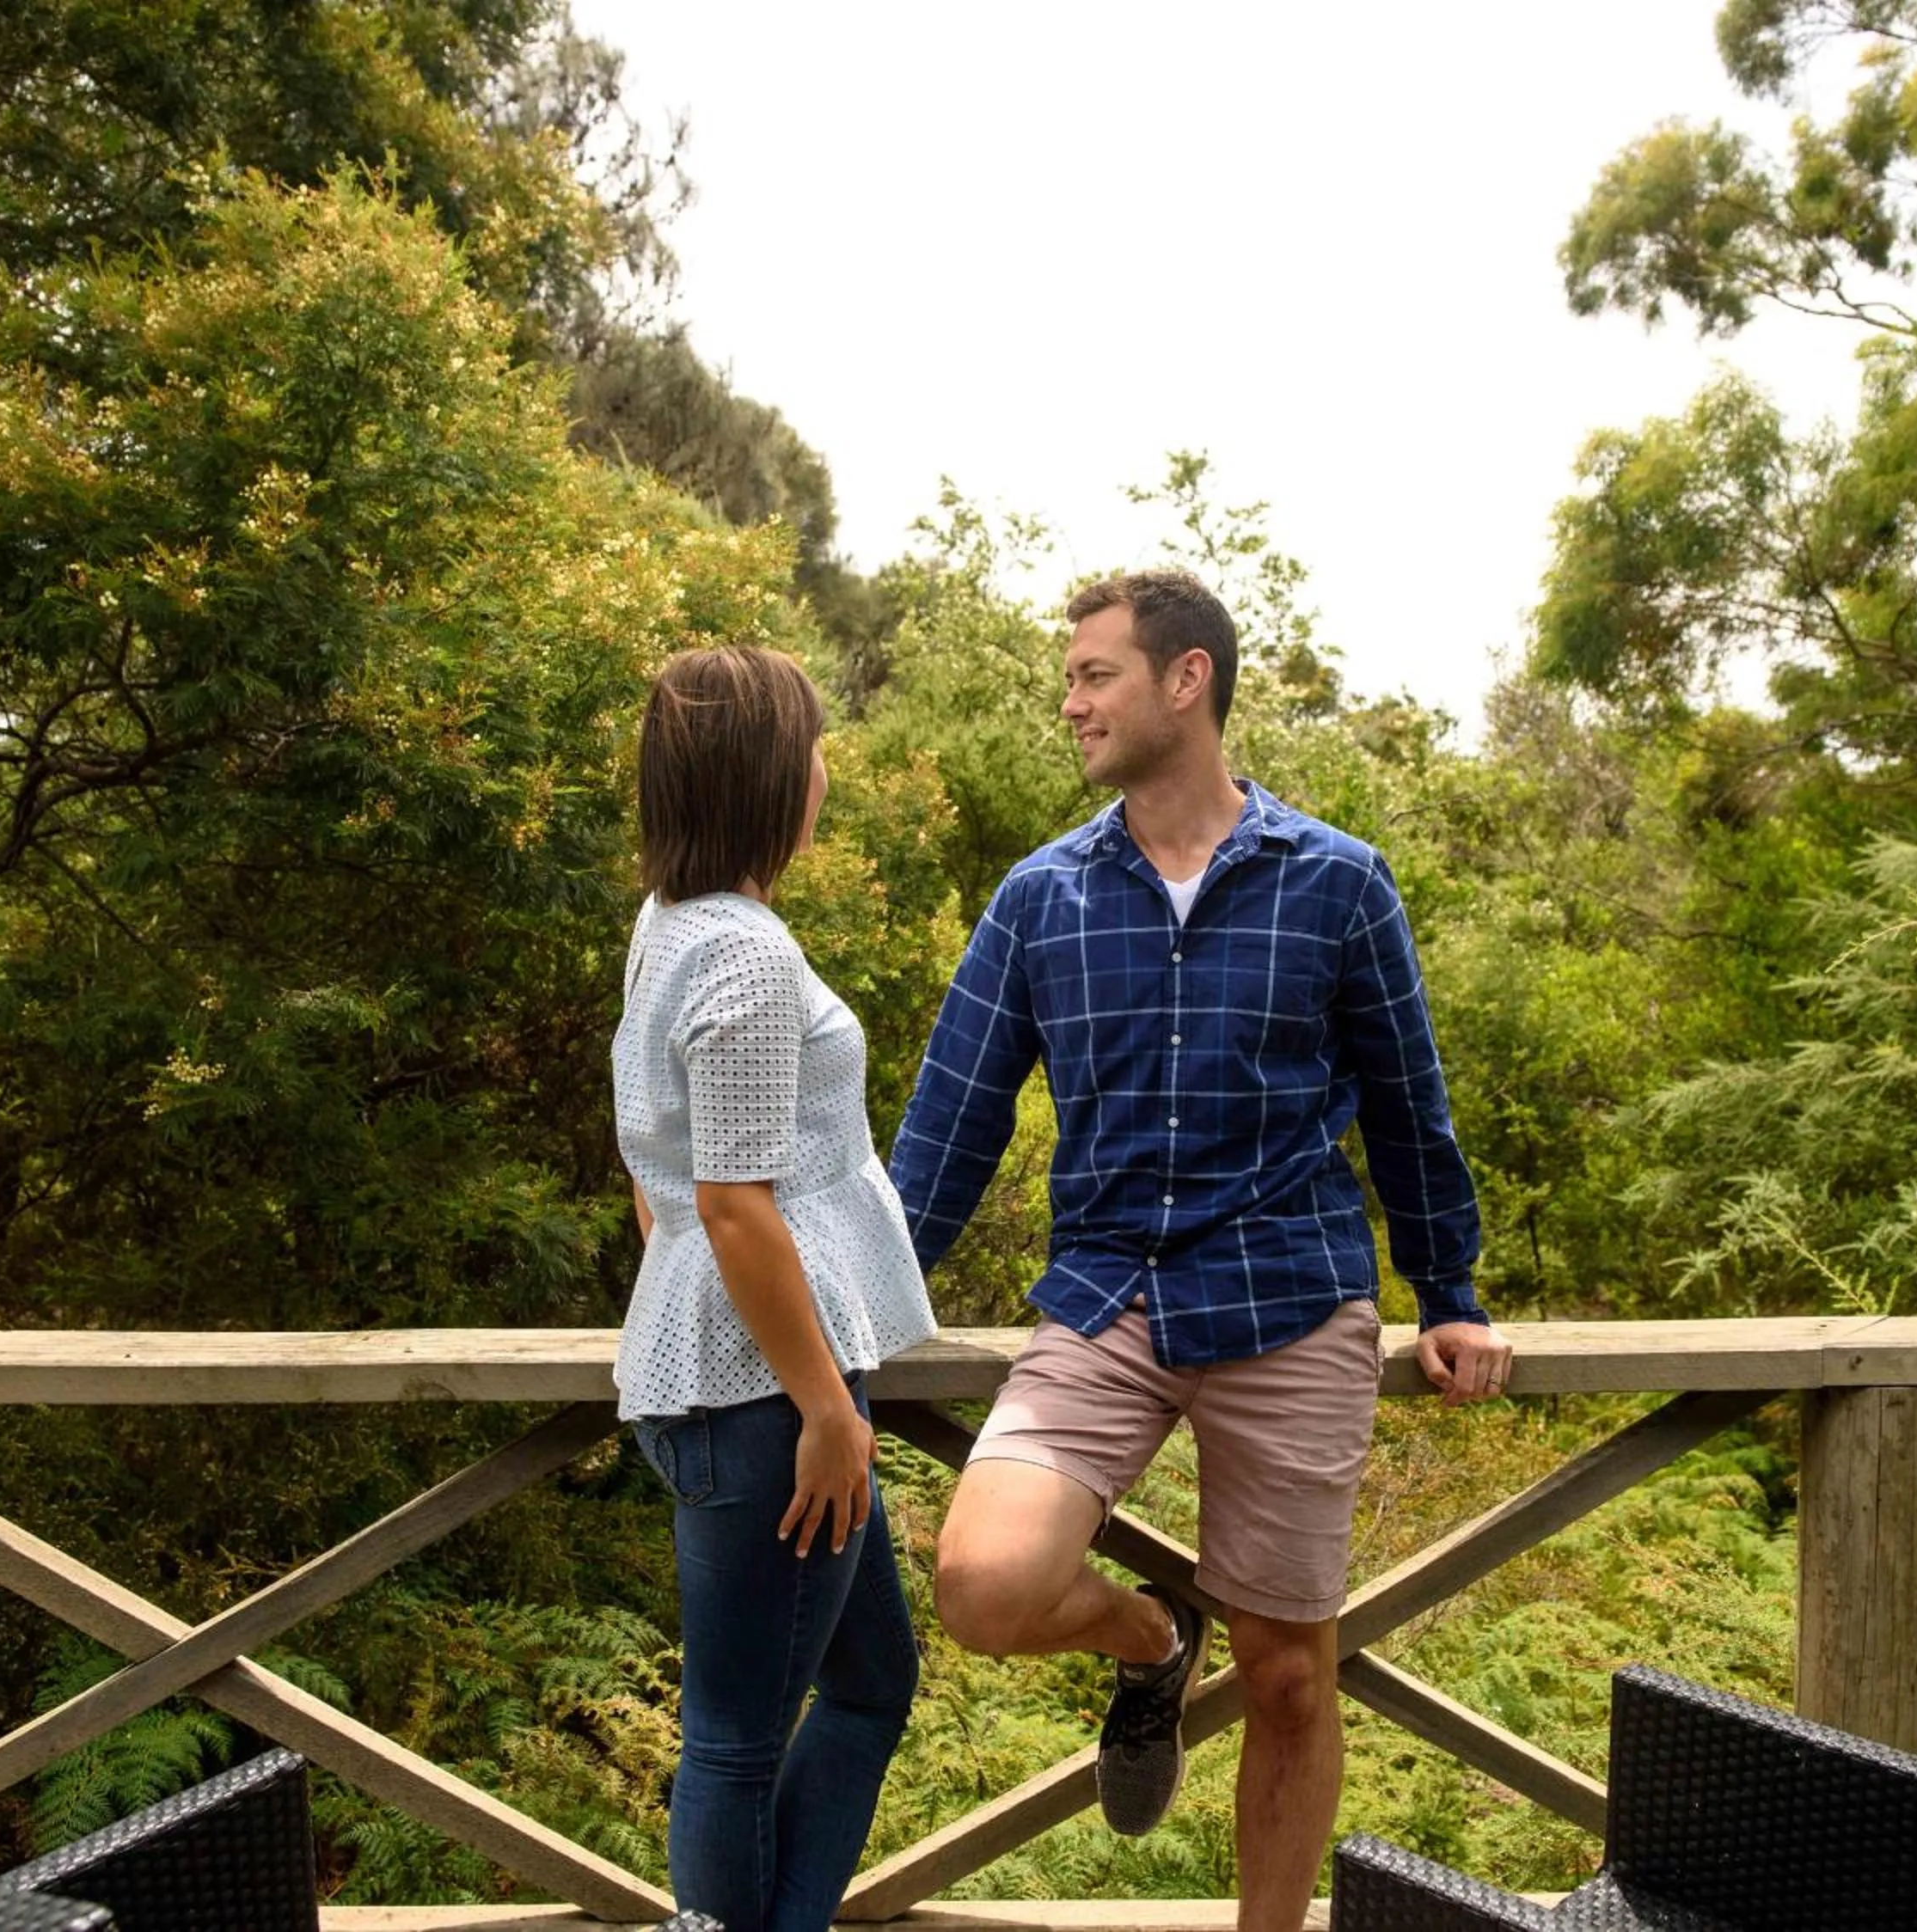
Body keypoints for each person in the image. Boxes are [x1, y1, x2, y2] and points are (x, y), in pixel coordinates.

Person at [886, 570, 1512, 1932]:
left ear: (1188, 681)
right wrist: (852, 1302)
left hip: (1291, 1297)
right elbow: (949, 1129)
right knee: (985, 1585)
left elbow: (1411, 1110)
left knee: (1292, 1676)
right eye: (1071, 678)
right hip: (1107, 1299)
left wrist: (1448, 1293)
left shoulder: (1338, 883)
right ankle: (1154, 1637)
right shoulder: (1039, 898)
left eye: (1095, 675)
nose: (1071, 703)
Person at [614, 645, 938, 1932]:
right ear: (765, 780)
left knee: (870, 1682)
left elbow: (658, 1159)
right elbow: (733, 1202)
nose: (821, 772)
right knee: (738, 1740)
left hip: (723, 1374)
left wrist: (678, 1289)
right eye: (809, 749)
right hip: (764, 1399)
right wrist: (823, 1407)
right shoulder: (742, 957)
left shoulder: (666, 928)